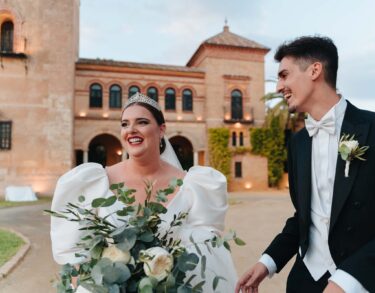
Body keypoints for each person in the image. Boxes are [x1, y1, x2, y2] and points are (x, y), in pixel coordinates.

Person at [236, 36, 375, 293]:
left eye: (284, 75)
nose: (278, 86)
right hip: (308, 283)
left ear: (315, 70)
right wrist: (267, 262)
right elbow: (305, 217)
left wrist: (348, 280)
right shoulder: (298, 143)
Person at [50, 92, 238, 292]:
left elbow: (206, 254)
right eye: (124, 124)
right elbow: (75, 255)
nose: (131, 130)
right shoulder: (93, 182)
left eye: (141, 122)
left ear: (161, 129)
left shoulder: (194, 185)